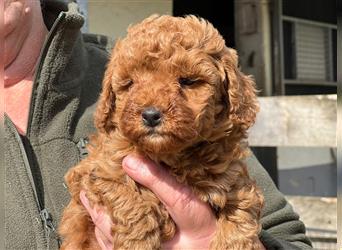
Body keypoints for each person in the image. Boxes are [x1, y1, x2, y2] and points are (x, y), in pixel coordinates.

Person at [4, 0, 312, 249]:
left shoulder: (218, 151)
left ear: (229, 96)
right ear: (108, 102)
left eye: (188, 82)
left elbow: (288, 237)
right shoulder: (113, 145)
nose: (152, 107)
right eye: (130, 86)